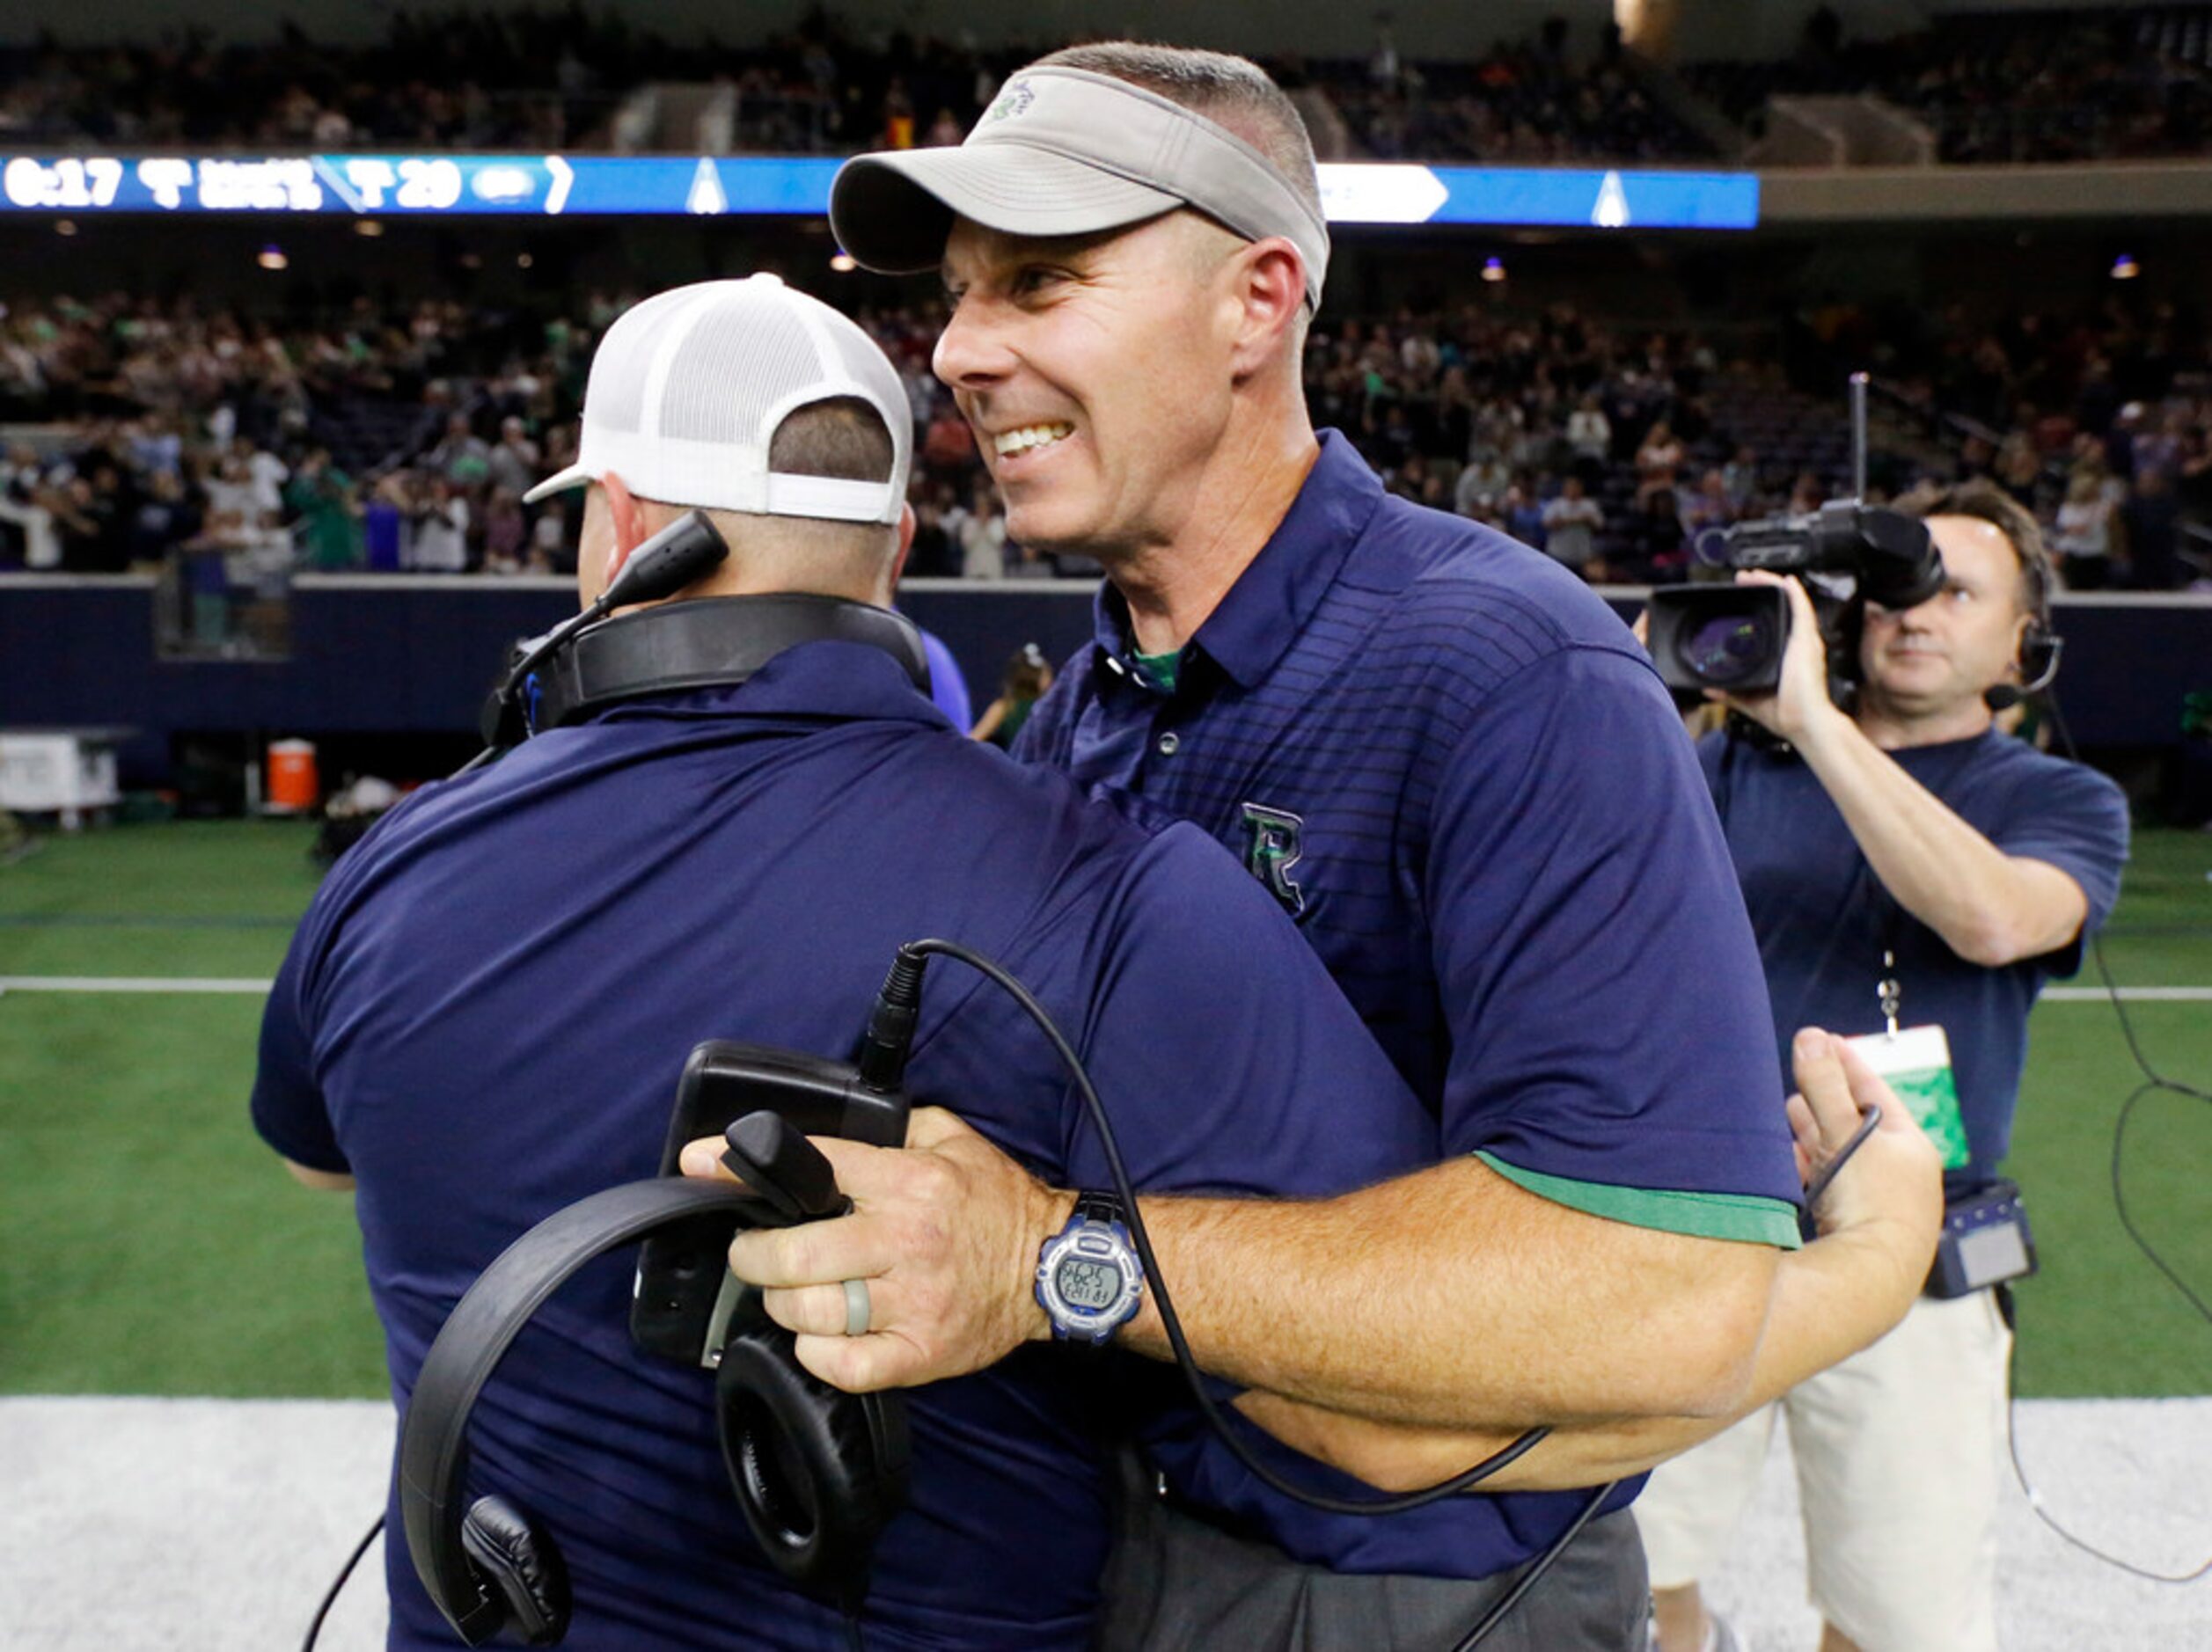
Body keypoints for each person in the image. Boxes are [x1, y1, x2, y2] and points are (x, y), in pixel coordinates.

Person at [697, 44, 1942, 1650]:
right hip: (1129, 1552)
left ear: (1256, 299)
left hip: (1427, 1601)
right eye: (955, 296)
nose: (960, 351)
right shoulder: (1084, 702)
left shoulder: (1507, 671)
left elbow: (1658, 1295)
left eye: (1040, 282)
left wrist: (1053, 1262)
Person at [250, 275, 1482, 1649]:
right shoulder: (1112, 892)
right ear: (893, 546)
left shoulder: (388, 869)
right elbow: (1417, 1404)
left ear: (621, 529)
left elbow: (318, 1156)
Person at [1634, 479, 2129, 1652]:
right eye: (1892, 586)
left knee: (1894, 1610)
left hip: (1910, 1252)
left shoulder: (2059, 799)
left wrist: (1817, 726)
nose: (1912, 610)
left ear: (2023, 645)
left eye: (1952, 589)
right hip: (1703, 1224)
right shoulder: (1737, 763)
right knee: (1628, 1546)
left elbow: (1994, 919)